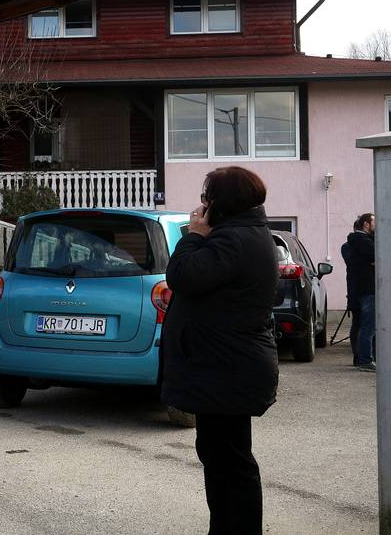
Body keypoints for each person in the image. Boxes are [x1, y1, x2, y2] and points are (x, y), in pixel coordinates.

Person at [161, 166, 278, 535]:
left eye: (207, 196)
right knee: (220, 456)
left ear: (221, 201)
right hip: (225, 365)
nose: (203, 203)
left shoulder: (233, 240)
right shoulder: (244, 234)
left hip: (227, 368)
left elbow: (183, 276)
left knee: (231, 461)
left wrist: (194, 235)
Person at [346, 212, 376, 372]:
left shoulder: (354, 242)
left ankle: (359, 358)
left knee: (359, 325)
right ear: (366, 224)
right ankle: (365, 360)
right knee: (368, 327)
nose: (377, 225)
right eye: (374, 222)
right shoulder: (364, 241)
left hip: (357, 289)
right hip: (367, 289)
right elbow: (379, 259)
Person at [340, 217, 364, 366]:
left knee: (363, 323)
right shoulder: (347, 247)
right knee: (358, 323)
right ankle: (357, 355)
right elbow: (353, 263)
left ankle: (364, 355)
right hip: (356, 289)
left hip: (361, 288)